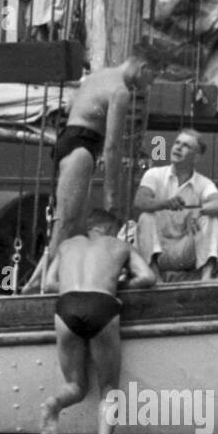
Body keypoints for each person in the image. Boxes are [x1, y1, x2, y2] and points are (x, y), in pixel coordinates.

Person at [21, 41, 168, 291]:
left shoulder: (97, 76)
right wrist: (112, 197)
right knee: (65, 225)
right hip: (81, 151)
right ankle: (35, 286)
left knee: (73, 226)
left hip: (68, 143)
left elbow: (70, 107)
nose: (150, 84)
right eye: (153, 77)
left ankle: (42, 282)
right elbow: (112, 147)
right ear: (144, 68)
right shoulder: (120, 92)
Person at [39, 209, 156, 434]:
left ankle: (54, 404)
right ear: (110, 229)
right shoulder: (120, 245)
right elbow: (148, 277)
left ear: (89, 228)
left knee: (76, 385)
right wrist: (117, 285)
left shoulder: (67, 245)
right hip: (103, 305)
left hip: (66, 306)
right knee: (109, 389)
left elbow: (48, 285)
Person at [133, 129, 218, 282]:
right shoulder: (154, 174)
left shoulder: (203, 183)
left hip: (184, 251)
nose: (178, 147)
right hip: (157, 250)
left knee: (211, 219)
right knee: (146, 217)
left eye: (186, 146)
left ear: (196, 157)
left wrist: (199, 211)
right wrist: (165, 203)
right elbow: (140, 201)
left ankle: (206, 277)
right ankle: (155, 278)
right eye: (177, 143)